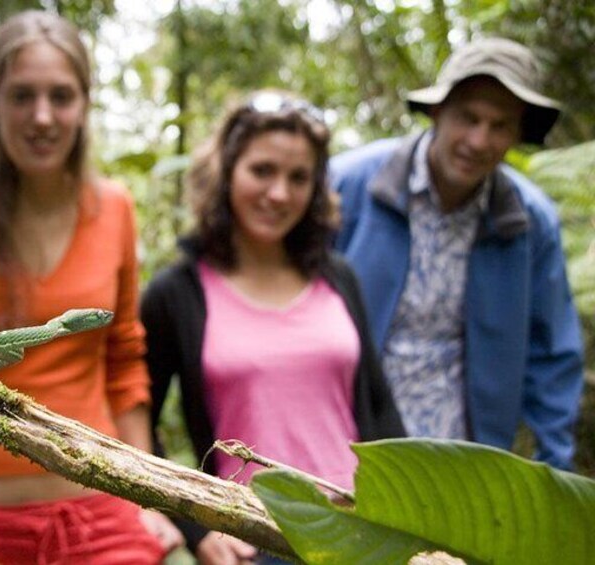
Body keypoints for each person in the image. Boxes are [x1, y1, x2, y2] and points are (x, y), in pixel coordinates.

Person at [0, 10, 180, 565]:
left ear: (84, 104)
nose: (42, 116)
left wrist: (150, 501)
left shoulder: (114, 208)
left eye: (61, 96)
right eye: (22, 96)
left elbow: (123, 364)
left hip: (102, 519)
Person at [141, 91, 405, 564]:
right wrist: (197, 528)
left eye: (298, 177)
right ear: (226, 171)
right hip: (252, 539)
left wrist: (416, 518)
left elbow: (380, 407)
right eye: (262, 171)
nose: (279, 193)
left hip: (363, 532)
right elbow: (139, 423)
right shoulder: (175, 293)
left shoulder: (337, 276)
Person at [330, 37, 584, 471]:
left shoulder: (529, 222)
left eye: (499, 125)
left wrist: (554, 467)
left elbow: (553, 352)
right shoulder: (351, 185)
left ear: (517, 133)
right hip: (342, 439)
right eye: (467, 118)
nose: (478, 140)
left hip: (461, 458)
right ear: (437, 112)